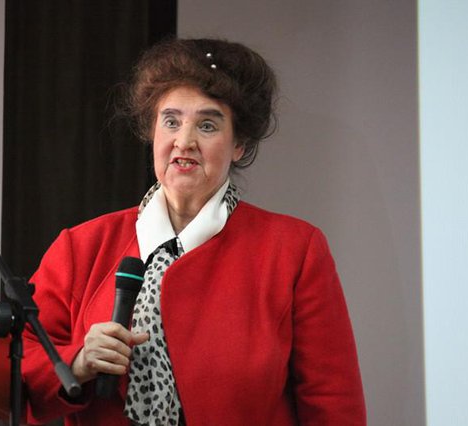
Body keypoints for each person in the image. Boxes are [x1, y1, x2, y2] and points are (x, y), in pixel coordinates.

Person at [22, 38, 366, 426]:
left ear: (239, 144)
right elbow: (17, 366)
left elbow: (333, 403)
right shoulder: (81, 247)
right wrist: (78, 362)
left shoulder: (294, 250)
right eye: (171, 122)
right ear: (152, 133)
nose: (184, 142)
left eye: (207, 125)